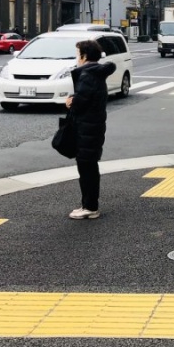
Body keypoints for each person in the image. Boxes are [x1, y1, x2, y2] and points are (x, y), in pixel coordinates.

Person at [65, 39, 116, 220]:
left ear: (84, 56)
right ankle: (88, 204)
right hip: (93, 127)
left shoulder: (88, 75)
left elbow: (80, 103)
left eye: (78, 54)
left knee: (87, 169)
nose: (76, 58)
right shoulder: (96, 73)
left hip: (87, 129)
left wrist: (71, 102)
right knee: (89, 167)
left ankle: (90, 207)